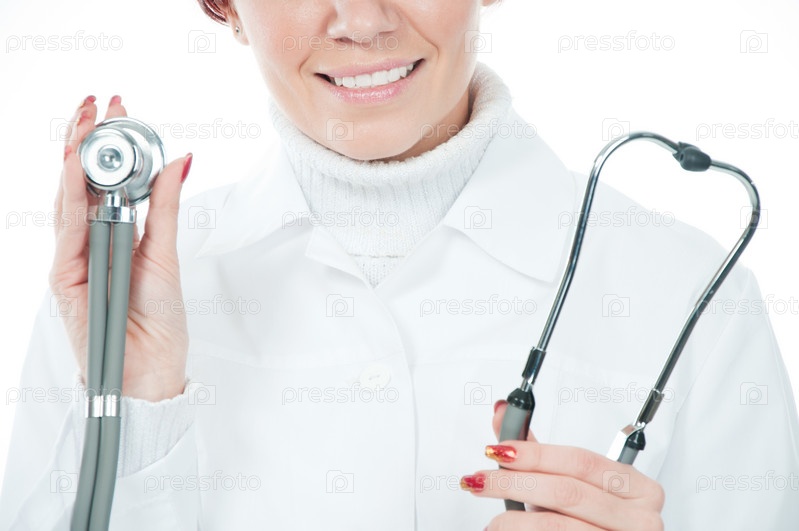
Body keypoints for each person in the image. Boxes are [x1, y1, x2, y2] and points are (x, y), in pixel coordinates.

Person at [2, 0, 798, 529]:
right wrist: (136, 414)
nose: (362, 20)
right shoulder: (119, 295)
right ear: (227, 6)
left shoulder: (694, 296)